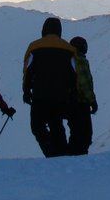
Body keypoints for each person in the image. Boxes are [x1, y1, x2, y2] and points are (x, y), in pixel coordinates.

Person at [22, 16, 76, 157]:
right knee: (57, 125)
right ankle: (62, 154)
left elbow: (28, 71)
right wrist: (73, 93)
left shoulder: (34, 47)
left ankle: (50, 153)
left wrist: (26, 91)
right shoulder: (69, 49)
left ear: (44, 29)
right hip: (62, 95)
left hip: (40, 94)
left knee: (37, 126)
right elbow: (74, 74)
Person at [66, 36, 98, 156]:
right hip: (80, 103)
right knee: (84, 134)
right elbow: (84, 83)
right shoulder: (79, 60)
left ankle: (71, 157)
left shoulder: (68, 59)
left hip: (69, 102)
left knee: (75, 133)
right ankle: (76, 158)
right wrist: (92, 101)